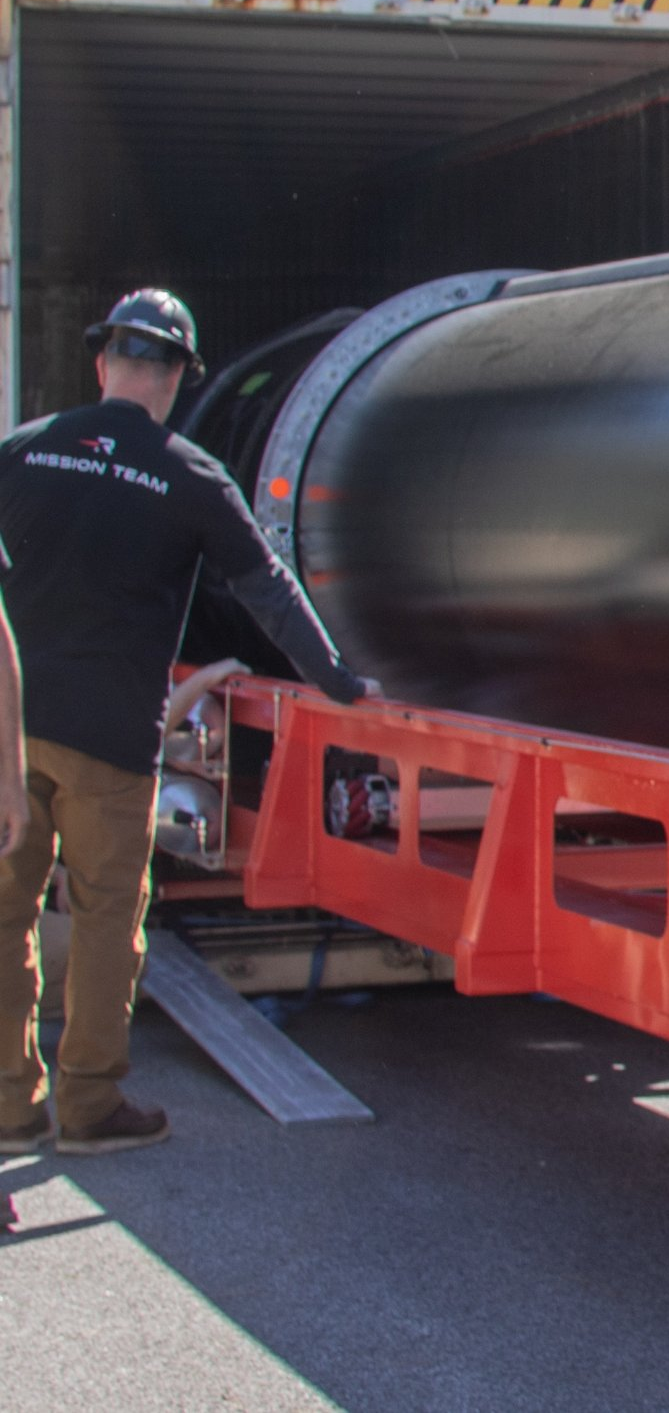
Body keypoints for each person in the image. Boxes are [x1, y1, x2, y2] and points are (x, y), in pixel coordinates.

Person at [0, 289, 370, 1156]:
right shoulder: (189, 474)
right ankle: (90, 1108)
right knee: (103, 921)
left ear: (103, 364)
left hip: (8, 734)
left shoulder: (19, 451)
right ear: (173, 379)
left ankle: (11, 1105)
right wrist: (341, 683)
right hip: (110, 742)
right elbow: (268, 591)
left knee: (5, 915)